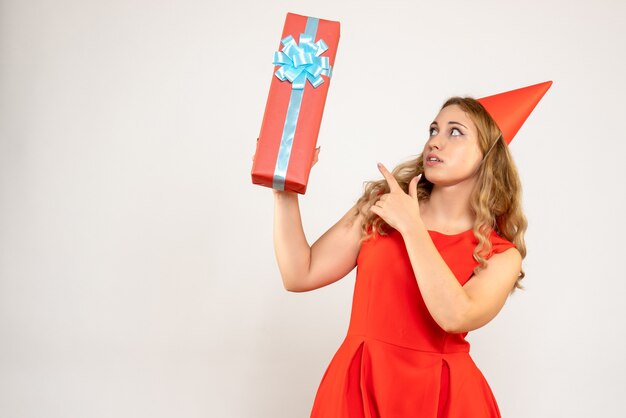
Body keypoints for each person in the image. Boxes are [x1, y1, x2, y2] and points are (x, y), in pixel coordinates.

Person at [271, 81, 552, 418]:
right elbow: (299, 273)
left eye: (456, 132)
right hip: (359, 386)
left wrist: (412, 226)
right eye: (434, 129)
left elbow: (454, 316)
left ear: (487, 156)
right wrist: (284, 189)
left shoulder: (501, 254)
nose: (435, 139)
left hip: (445, 400)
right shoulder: (383, 208)